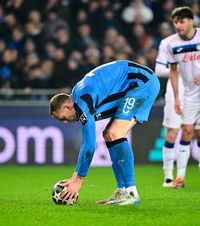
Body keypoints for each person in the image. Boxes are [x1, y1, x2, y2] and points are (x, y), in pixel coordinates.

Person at [49, 60, 160, 205]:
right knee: (108, 134)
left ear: (68, 107)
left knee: (115, 133)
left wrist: (78, 179)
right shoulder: (78, 95)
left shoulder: (82, 102)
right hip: (130, 86)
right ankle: (122, 191)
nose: (65, 123)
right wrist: (76, 175)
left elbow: (89, 145)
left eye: (63, 118)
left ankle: (132, 193)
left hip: (142, 83)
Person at [167, 6, 200, 188]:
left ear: (191, 21)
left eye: (182, 21)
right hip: (191, 96)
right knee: (187, 131)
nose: (178, 25)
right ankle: (179, 177)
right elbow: (173, 71)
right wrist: (177, 97)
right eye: (176, 22)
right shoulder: (172, 44)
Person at [155, 36, 184, 187]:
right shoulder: (168, 42)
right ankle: (168, 176)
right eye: (177, 21)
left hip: (196, 92)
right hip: (174, 93)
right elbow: (158, 69)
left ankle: (181, 176)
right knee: (171, 133)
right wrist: (177, 68)